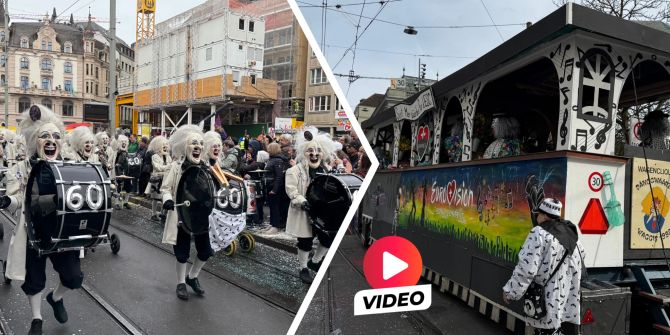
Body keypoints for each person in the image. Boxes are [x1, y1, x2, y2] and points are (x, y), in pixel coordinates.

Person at [0, 105, 81, 335]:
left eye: (56, 136)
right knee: (34, 278)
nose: (51, 140)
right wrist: (8, 200)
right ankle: (37, 319)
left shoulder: (69, 166)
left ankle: (55, 299)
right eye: (45, 136)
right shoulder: (22, 167)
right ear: (36, 140)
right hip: (33, 230)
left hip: (62, 228)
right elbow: (17, 196)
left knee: (74, 277)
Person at [503, 198, 585, 335]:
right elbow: (581, 260)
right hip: (566, 302)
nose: (537, 217)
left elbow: (526, 268)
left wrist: (511, 291)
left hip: (546, 301)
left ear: (545, 215)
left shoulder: (539, 233)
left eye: (538, 214)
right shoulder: (571, 234)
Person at [160, 125, 213, 300]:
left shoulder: (205, 168)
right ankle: (181, 282)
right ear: (185, 146)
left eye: (200, 143)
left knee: (205, 251)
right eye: (193, 143)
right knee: (182, 252)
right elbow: (166, 188)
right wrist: (167, 199)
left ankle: (193, 277)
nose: (197, 147)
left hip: (201, 216)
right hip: (182, 215)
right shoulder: (175, 167)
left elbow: (213, 191)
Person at [285, 131, 332, 284]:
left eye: (318, 151)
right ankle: (303, 268)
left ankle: (316, 261)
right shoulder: (294, 171)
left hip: (323, 213)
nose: (314, 154)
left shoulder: (327, 170)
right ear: (304, 152)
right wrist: (302, 201)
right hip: (304, 212)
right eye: (310, 150)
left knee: (328, 238)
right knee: (305, 241)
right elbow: (291, 190)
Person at [264, 142, 289, 235]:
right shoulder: (273, 159)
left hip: (275, 188)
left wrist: (274, 189)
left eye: (269, 148)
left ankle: (276, 226)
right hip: (271, 186)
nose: (267, 150)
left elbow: (279, 176)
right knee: (272, 206)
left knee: (275, 207)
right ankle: (273, 224)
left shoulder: (277, 160)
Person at [144, 136, 171, 221]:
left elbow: (169, 167)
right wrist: (168, 167)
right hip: (157, 180)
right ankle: (153, 214)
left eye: (166, 145)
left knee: (165, 197)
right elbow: (158, 167)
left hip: (166, 180)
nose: (165, 147)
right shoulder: (154, 156)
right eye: (163, 145)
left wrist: (167, 167)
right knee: (155, 198)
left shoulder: (168, 157)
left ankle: (163, 213)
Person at [114, 135, 132, 210]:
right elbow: (115, 163)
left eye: (125, 142)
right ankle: (117, 203)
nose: (124, 143)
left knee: (128, 188)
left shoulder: (127, 153)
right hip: (119, 172)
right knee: (118, 188)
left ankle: (125, 202)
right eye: (122, 142)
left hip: (127, 173)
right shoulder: (117, 153)